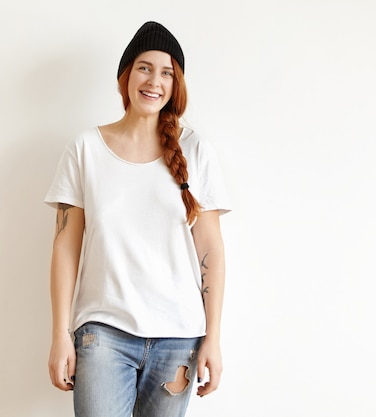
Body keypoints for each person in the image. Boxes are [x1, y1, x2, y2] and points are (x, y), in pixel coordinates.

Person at [45, 21, 230, 417]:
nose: (154, 81)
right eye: (145, 67)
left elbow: (211, 248)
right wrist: (61, 334)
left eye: (167, 72)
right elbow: (65, 246)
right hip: (103, 334)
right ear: (125, 75)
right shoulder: (86, 149)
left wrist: (213, 337)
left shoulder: (197, 151)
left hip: (178, 338)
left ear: (176, 84)